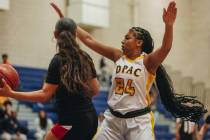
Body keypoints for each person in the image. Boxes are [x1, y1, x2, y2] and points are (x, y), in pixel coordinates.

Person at [73, 1, 206, 140]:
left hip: (138, 122)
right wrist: (71, 25)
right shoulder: (117, 56)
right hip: (113, 120)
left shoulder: (148, 62)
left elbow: (165, 48)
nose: (123, 40)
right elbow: (89, 40)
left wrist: (169, 26)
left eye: (127, 37)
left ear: (139, 42)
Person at [0, 17, 100, 140]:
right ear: (75, 35)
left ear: (55, 34)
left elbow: (44, 96)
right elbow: (95, 90)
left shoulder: (58, 61)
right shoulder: (86, 57)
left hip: (70, 123)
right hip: (91, 119)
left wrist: (11, 93)